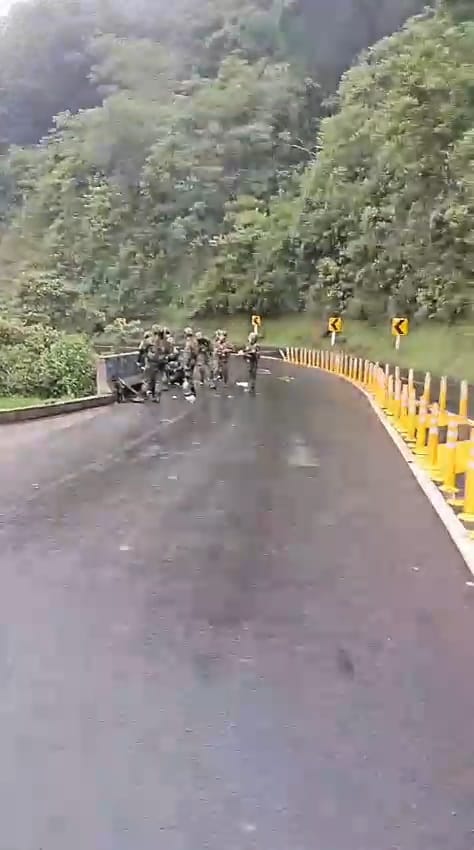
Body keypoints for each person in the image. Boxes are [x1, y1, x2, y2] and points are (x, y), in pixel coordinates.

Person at [140, 324, 170, 402]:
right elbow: (168, 351)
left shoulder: (150, 340)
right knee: (158, 381)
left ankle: (142, 396)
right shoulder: (165, 341)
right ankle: (157, 397)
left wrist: (146, 355)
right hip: (161, 363)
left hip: (151, 362)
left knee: (146, 380)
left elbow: (142, 349)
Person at [182, 326, 198, 398]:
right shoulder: (195, 341)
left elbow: (187, 354)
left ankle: (191, 391)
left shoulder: (188, 343)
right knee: (190, 375)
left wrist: (185, 363)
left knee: (188, 375)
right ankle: (192, 390)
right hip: (194, 360)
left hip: (189, 360)